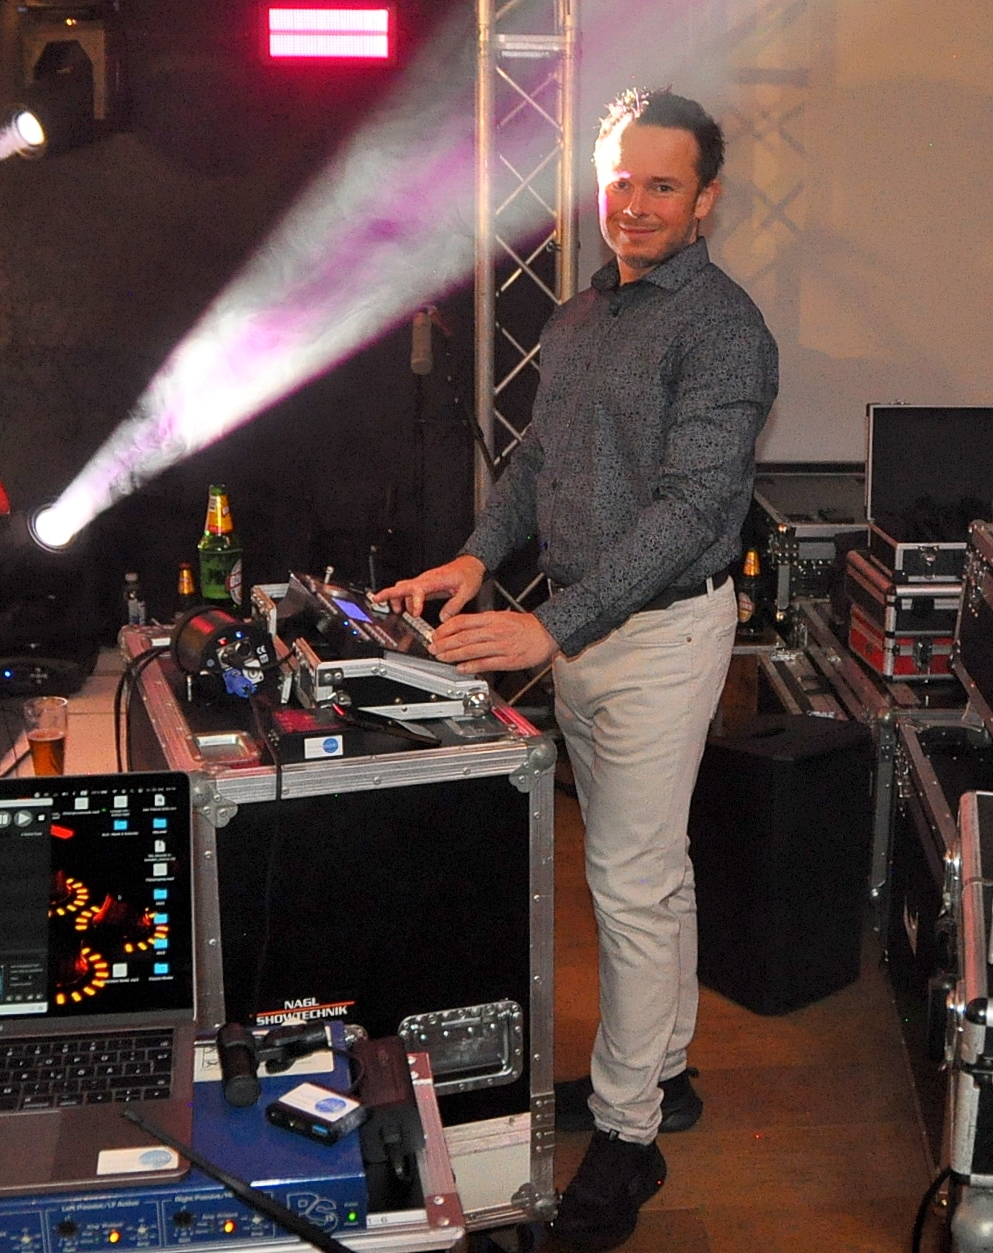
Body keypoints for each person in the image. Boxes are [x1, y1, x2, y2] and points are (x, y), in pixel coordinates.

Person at [376, 87, 777, 1250]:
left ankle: (626, 1132)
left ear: (705, 200)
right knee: (650, 870)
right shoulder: (580, 314)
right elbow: (536, 463)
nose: (634, 205)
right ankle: (665, 1070)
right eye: (620, 183)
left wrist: (551, 625)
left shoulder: (724, 330)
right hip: (586, 631)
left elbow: (691, 509)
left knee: (628, 881)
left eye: (663, 186)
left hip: (660, 635)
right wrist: (476, 554)